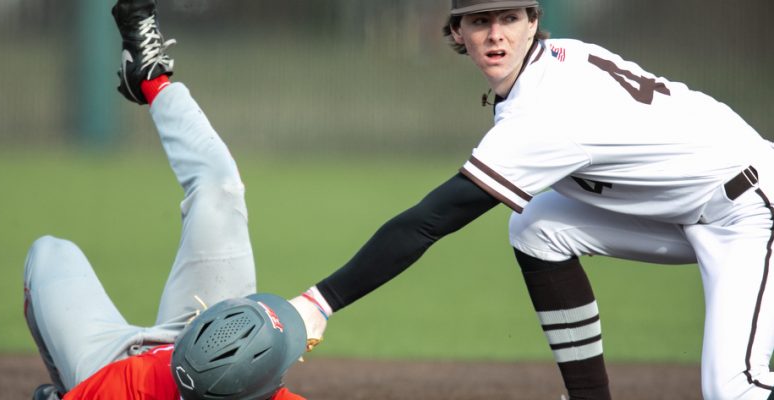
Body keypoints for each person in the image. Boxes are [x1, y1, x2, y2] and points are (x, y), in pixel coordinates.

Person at [286, 1, 774, 399]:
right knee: (538, 227)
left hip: (751, 208)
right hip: (699, 207)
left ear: (533, 22)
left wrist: (320, 302)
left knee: (735, 391)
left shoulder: (544, 111)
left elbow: (431, 220)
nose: (496, 34)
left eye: (510, 18)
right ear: (457, 32)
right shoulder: (556, 61)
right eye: (480, 21)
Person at [24, 0, 307, 398]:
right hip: (209, 337)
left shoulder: (110, 390)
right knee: (219, 188)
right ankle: (149, 77)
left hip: (111, 367)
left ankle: (65, 385)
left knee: (51, 251)